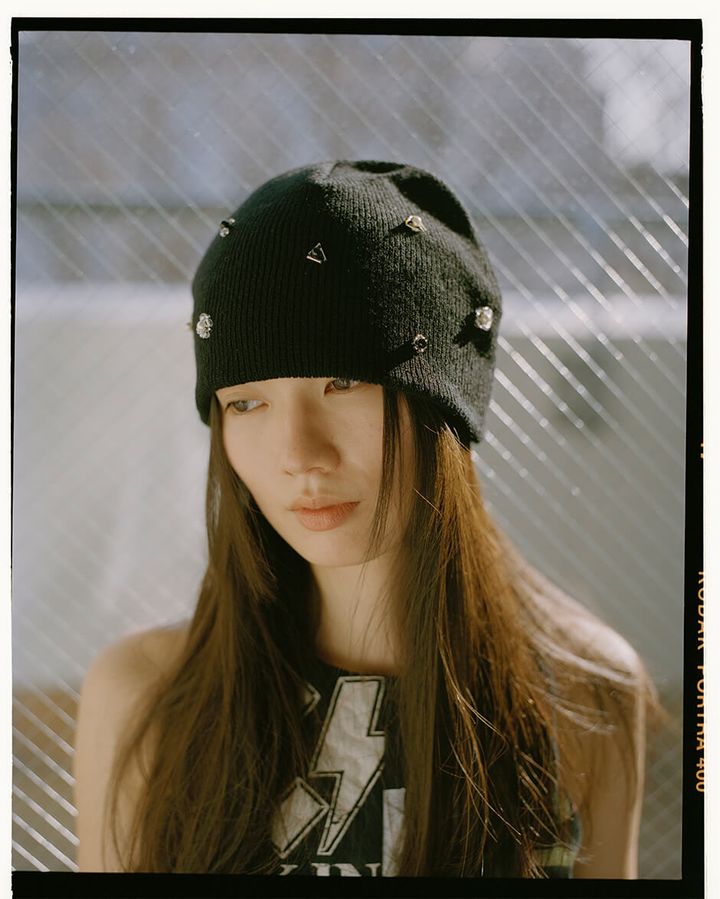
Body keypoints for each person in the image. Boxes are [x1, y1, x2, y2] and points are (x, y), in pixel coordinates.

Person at [73, 160, 658, 878]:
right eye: (247, 402)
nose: (299, 455)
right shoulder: (145, 697)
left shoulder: (585, 691)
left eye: (343, 382)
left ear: (442, 409)